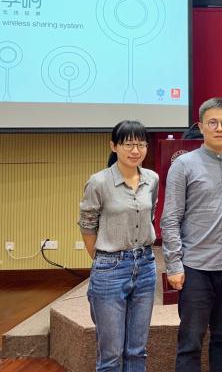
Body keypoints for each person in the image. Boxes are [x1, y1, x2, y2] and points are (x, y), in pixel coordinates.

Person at [161, 97, 222, 372]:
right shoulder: (183, 165)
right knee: (190, 341)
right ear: (201, 126)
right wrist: (174, 265)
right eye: (212, 122)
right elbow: (170, 218)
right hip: (195, 268)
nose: (219, 128)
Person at [78, 120, 159, 372]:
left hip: (145, 265)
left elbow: (150, 214)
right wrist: (102, 259)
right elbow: (87, 225)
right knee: (111, 354)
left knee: (137, 350)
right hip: (110, 267)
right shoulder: (99, 182)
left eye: (141, 144)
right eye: (128, 144)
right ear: (114, 146)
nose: (135, 150)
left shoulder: (152, 178)